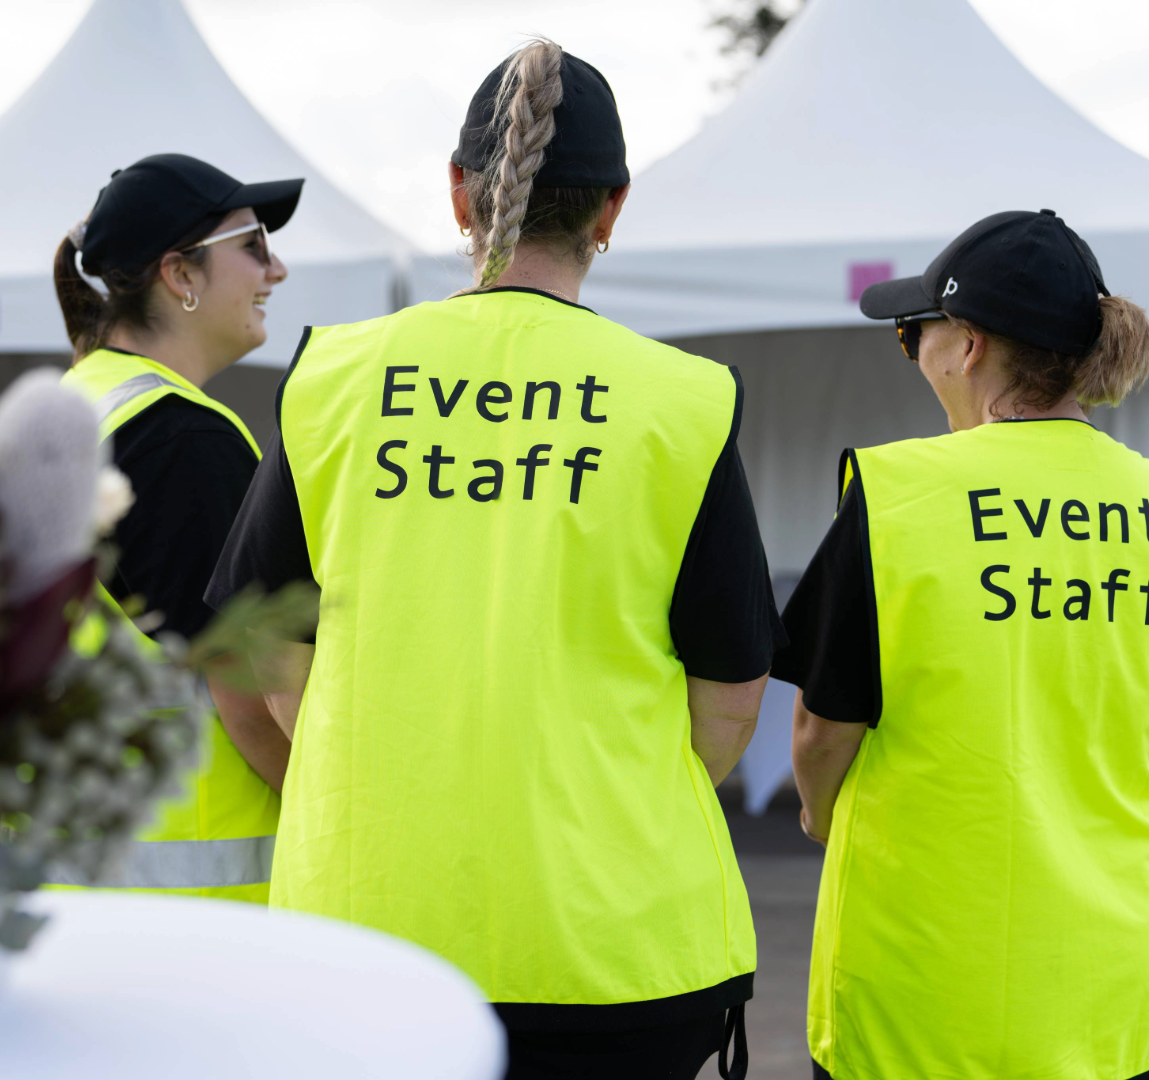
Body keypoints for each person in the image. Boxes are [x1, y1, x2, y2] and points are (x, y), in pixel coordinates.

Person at [208, 40, 777, 1080]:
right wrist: (605, 800)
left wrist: (366, 775)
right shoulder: (680, 401)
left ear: (461, 195)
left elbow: (255, 656)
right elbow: (730, 698)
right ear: (611, 210)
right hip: (615, 956)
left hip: (369, 938)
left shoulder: (335, 376)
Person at [773, 209, 1149, 1080]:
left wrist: (819, 813)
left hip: (924, 994)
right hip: (1116, 1000)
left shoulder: (899, 496)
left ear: (971, 345)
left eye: (913, 335)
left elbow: (820, 733)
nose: (914, 354)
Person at [53, 153, 298, 902]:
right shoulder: (178, 438)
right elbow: (251, 697)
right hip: (196, 921)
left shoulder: (73, 410)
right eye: (253, 243)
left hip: (82, 886)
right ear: (180, 275)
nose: (276, 269)